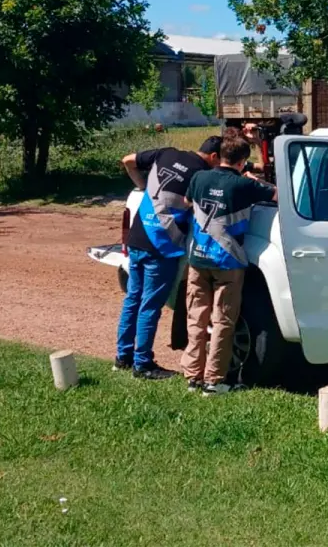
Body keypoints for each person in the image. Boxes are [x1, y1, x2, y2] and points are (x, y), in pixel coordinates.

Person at [114, 137, 222, 379]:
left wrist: (142, 186)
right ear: (214, 157)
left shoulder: (166, 153)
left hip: (137, 237)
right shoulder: (201, 175)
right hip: (161, 246)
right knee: (150, 306)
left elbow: (128, 160)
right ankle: (142, 365)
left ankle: (123, 356)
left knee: (133, 299)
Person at [181, 135, 278, 395]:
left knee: (196, 318)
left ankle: (192, 376)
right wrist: (255, 182)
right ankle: (214, 380)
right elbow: (278, 195)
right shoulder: (243, 185)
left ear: (220, 155)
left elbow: (187, 203)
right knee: (223, 320)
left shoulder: (199, 178)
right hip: (228, 261)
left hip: (198, 257)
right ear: (242, 161)